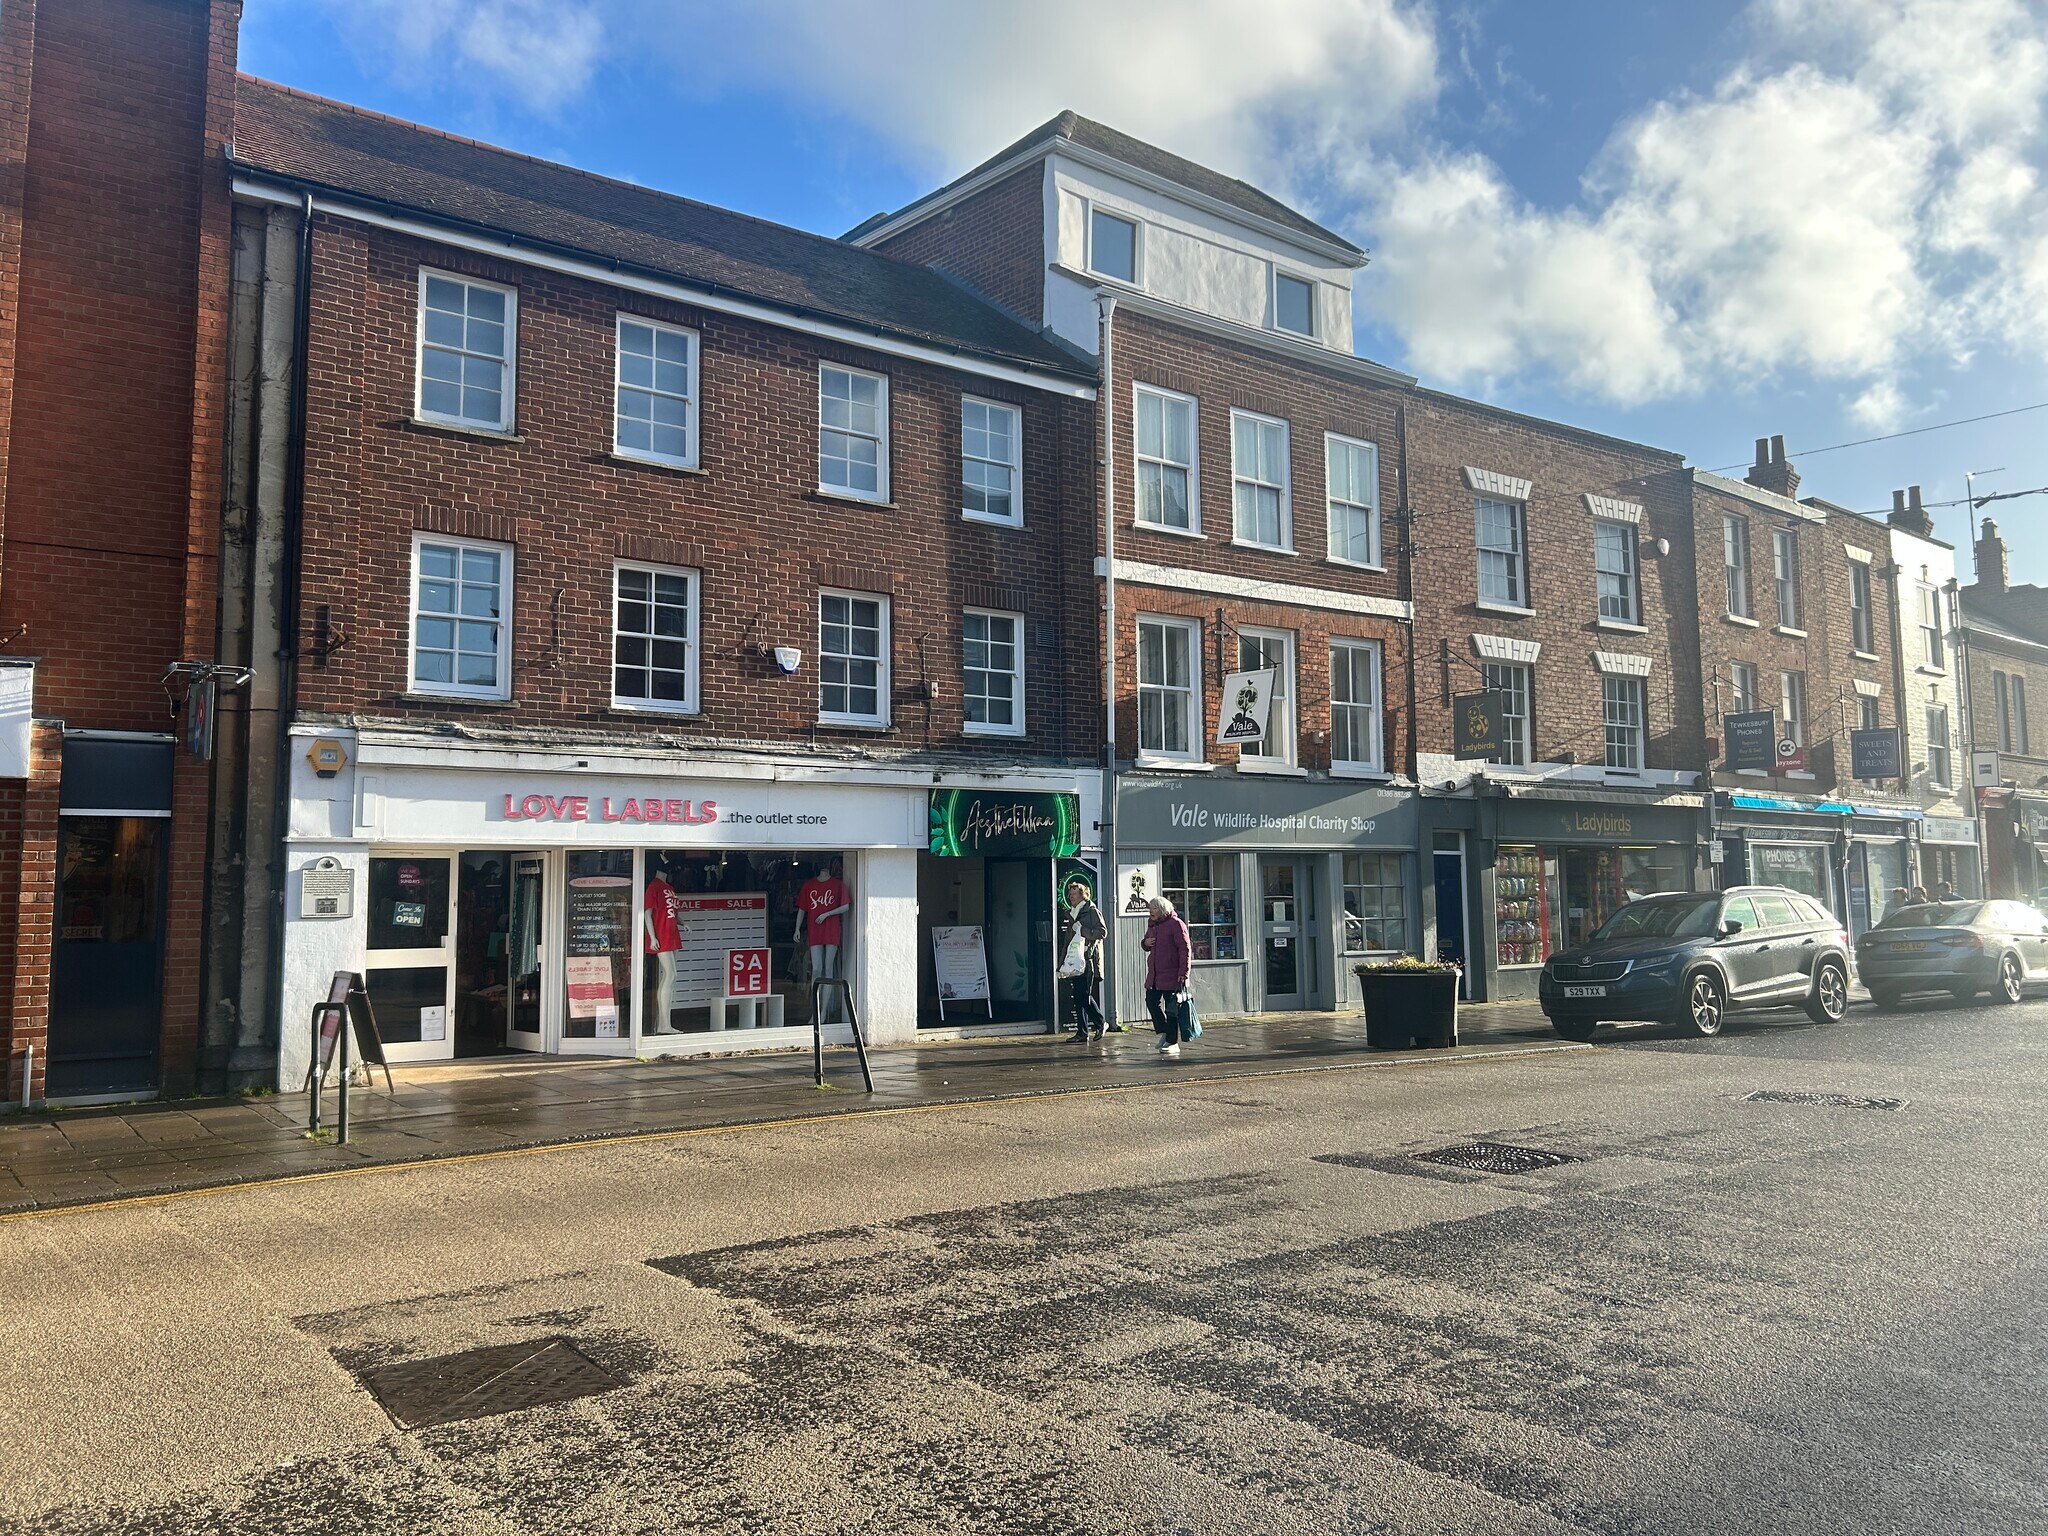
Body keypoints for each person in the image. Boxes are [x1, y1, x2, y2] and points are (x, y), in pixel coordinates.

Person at [797, 857, 851, 1020]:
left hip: (832, 930)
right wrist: (796, 928)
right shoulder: (809, 885)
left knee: (828, 969)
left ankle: (823, 1011)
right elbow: (802, 908)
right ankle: (816, 1010)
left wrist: (827, 913)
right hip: (815, 931)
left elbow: (846, 906)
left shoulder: (838, 885)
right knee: (817, 969)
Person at [1140, 895, 1192, 1059]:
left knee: (1172, 1010)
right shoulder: (1153, 925)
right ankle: (1164, 1031)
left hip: (1173, 974)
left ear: (1163, 910)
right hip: (1155, 974)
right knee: (1151, 1002)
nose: (1151, 911)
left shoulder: (1176, 924)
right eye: (1150, 908)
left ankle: (1172, 1042)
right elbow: (1146, 944)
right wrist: (1145, 943)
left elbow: (1185, 950)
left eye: (1154, 908)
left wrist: (1184, 973)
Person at [1063, 878, 1110, 1043]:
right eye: (1070, 894)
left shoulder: (1091, 910)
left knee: (1084, 994)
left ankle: (1100, 1022)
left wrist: (1082, 930)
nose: (1071, 897)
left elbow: (1102, 932)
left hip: (1087, 959)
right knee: (1077, 996)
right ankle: (1082, 1033)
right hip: (1075, 958)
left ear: (1083, 895)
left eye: (1074, 894)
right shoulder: (1073, 912)